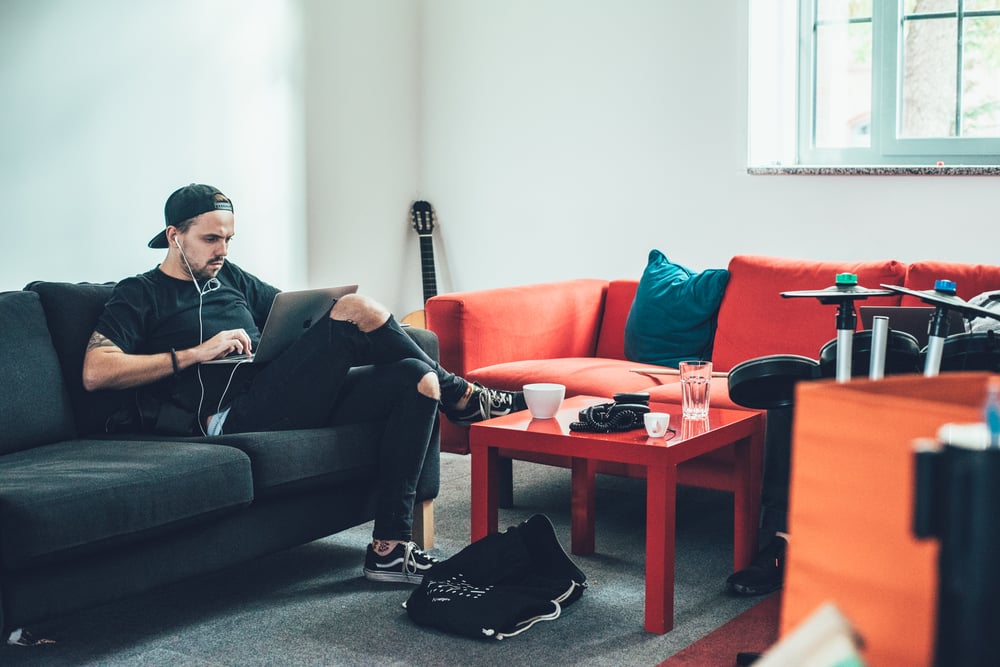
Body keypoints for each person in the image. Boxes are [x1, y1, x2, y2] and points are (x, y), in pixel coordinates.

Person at [82, 183, 526, 585]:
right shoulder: (141, 292)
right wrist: (196, 353)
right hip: (227, 418)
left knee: (418, 378)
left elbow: (294, 318)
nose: (222, 250)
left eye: (229, 239)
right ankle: (464, 397)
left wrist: (303, 337)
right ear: (174, 235)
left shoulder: (230, 277)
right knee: (358, 309)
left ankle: (390, 550)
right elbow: (96, 371)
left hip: (278, 396)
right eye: (211, 239)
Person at [726, 291, 1000, 598]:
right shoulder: (983, 300)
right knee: (793, 398)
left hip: (973, 401)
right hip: (914, 378)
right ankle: (784, 542)